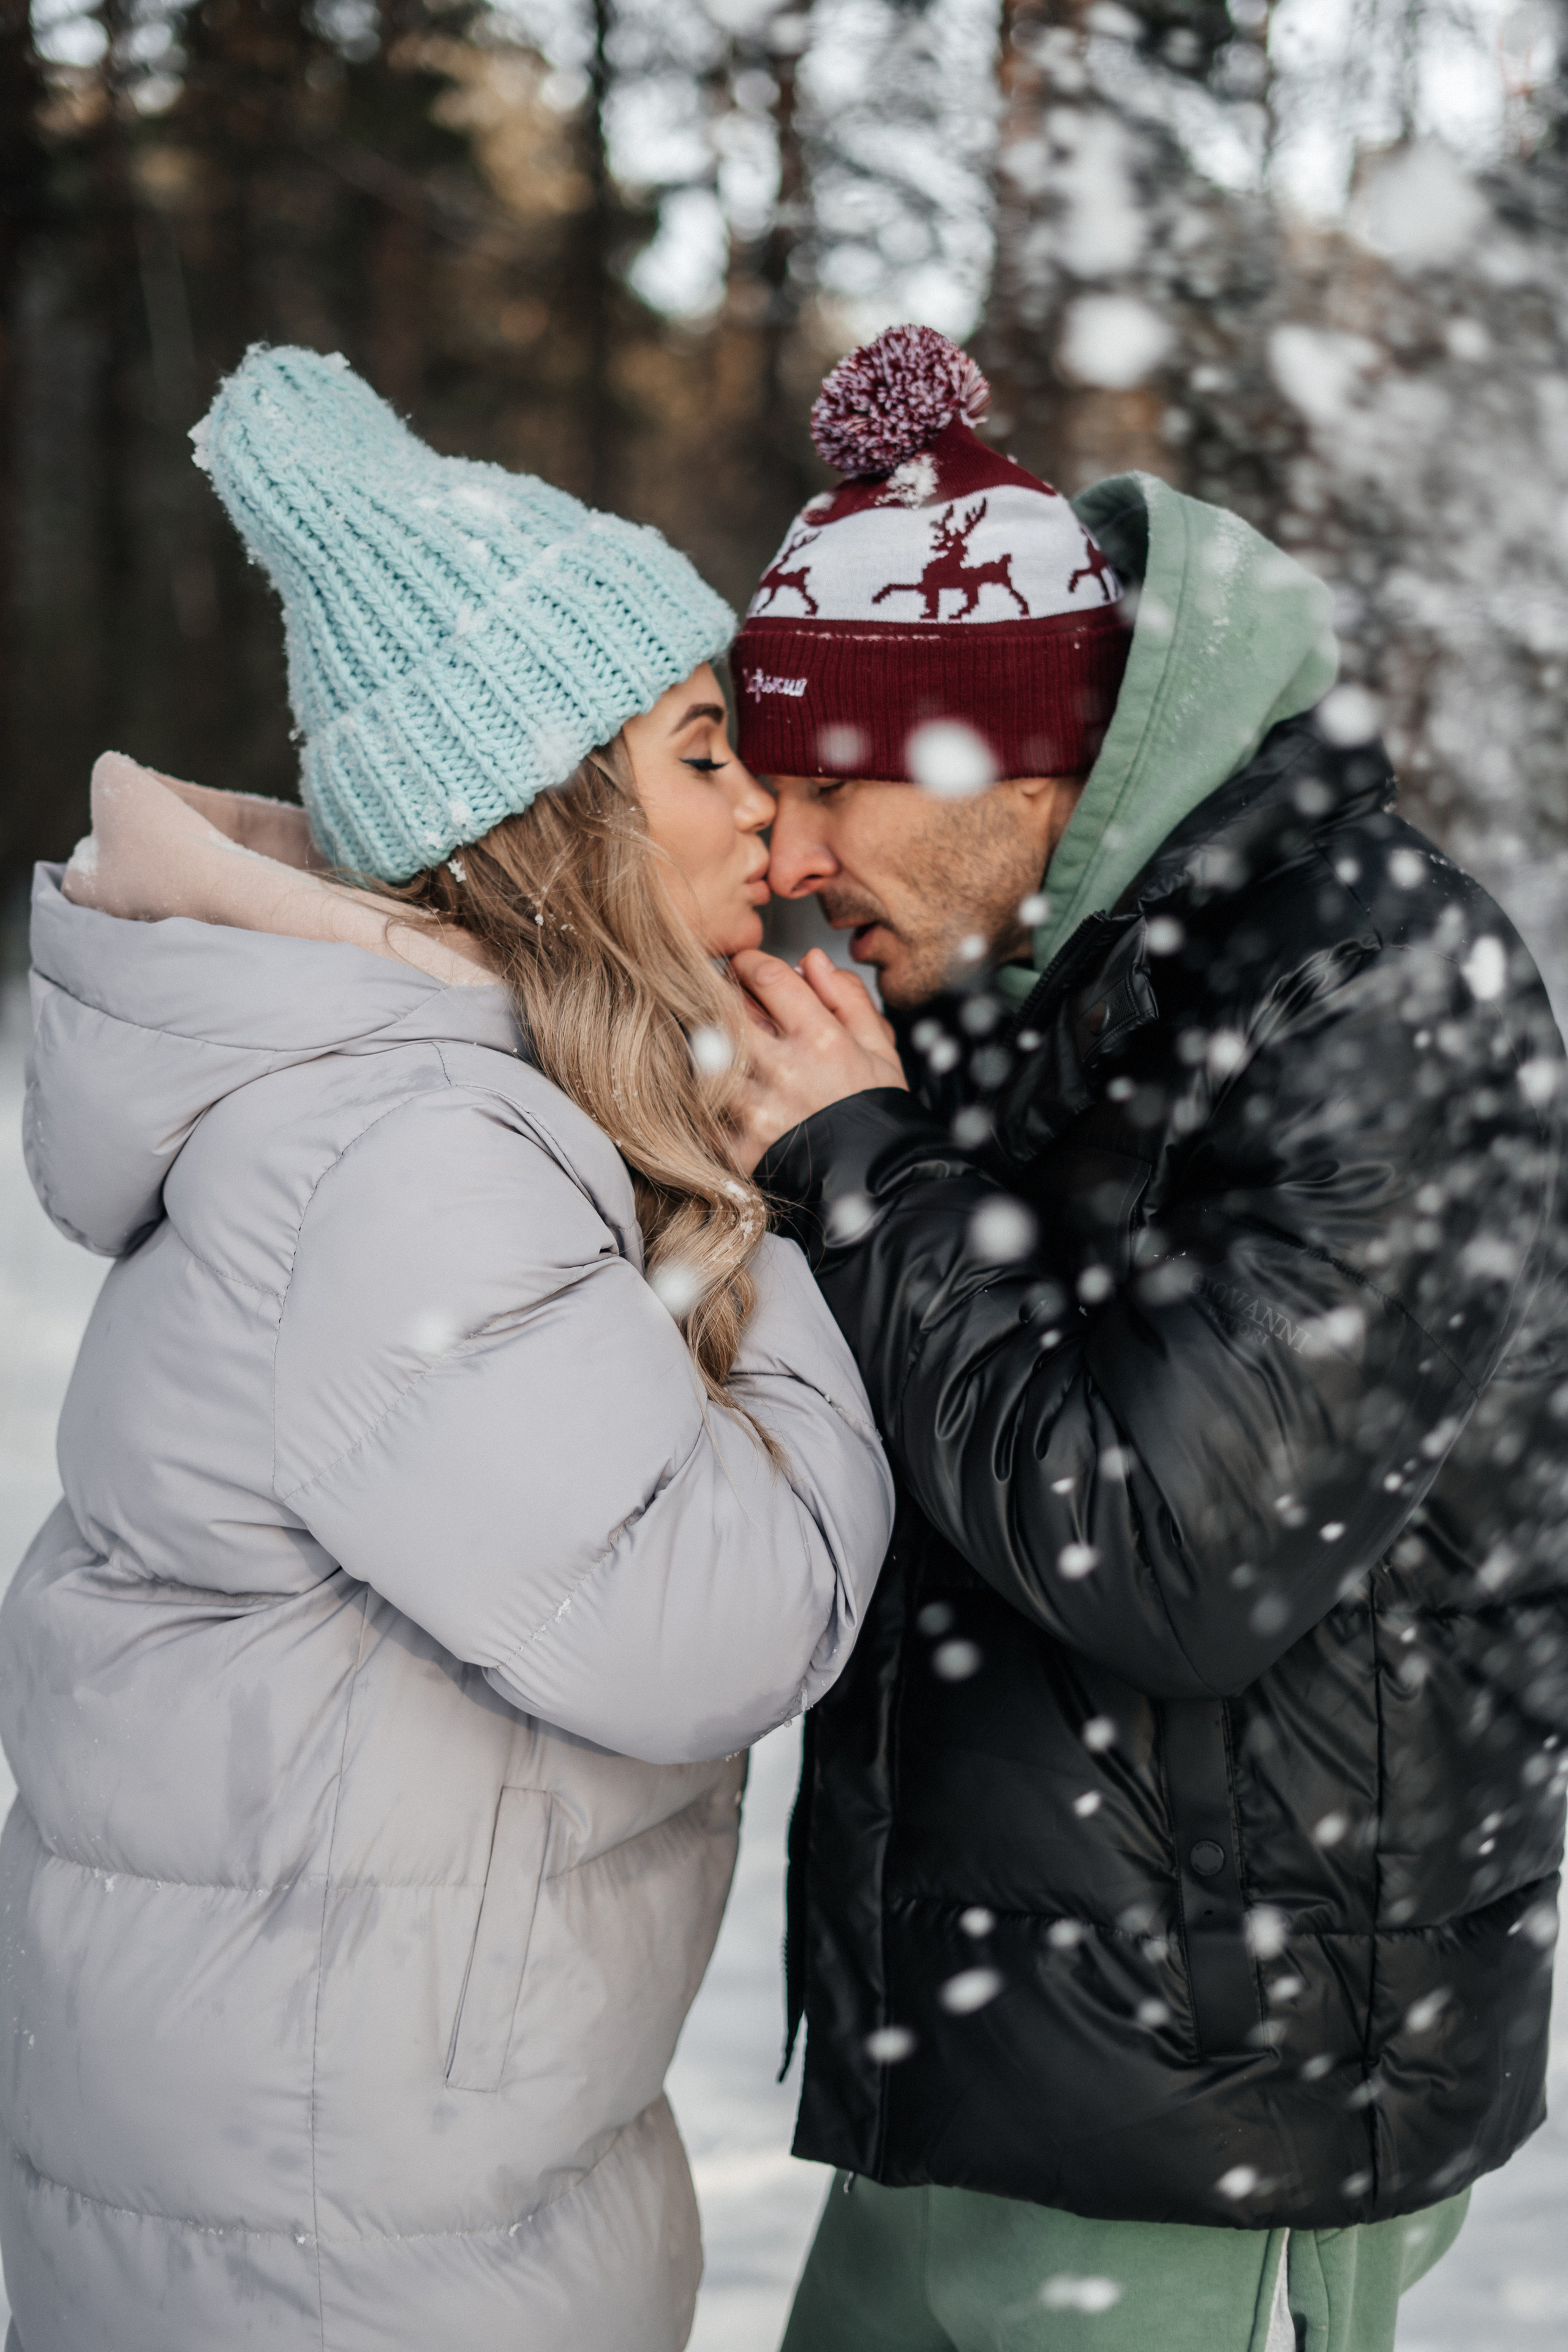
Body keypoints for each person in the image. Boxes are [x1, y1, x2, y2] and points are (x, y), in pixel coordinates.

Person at [0, 346, 894, 2352]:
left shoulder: (411, 1114)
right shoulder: (413, 1155)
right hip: (343, 2237)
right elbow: (718, 1613)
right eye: (702, 755)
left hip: (332, 2170)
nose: (764, 811)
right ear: (546, 820)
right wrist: (807, 1201)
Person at [725, 325, 1568, 2351]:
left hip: (1218, 2107)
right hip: (977, 2058)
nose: (795, 859)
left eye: (831, 785)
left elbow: (1174, 1553)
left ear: (1008, 764)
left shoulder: (1366, 979)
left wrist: (861, 1169)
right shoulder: (1029, 973)